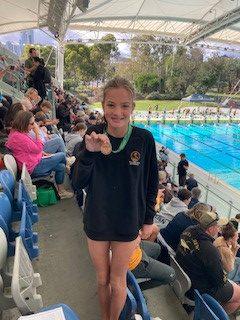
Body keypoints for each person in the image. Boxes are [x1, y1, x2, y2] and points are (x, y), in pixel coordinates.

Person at [72, 77, 158, 320]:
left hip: (128, 221)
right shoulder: (93, 134)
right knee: (102, 280)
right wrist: (89, 153)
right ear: (102, 105)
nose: (117, 112)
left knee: (117, 280)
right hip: (98, 218)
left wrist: (148, 219)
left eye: (124, 106)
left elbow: (152, 183)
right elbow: (78, 182)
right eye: (111, 105)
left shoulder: (144, 139)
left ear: (133, 107)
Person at [176, 211, 240, 314]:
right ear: (210, 229)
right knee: (238, 295)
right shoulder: (209, 250)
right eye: (217, 227)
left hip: (182, 275)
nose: (219, 229)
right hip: (197, 288)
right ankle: (211, 315)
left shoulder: (188, 230)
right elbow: (219, 282)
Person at [5, 111, 73, 199]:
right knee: (61, 156)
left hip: (32, 162)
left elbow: (31, 150)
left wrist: (42, 153)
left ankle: (61, 191)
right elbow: (38, 148)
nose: (34, 126)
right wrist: (37, 132)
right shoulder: (18, 137)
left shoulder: (17, 133)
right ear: (24, 123)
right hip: (33, 167)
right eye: (32, 123)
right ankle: (68, 163)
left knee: (61, 167)